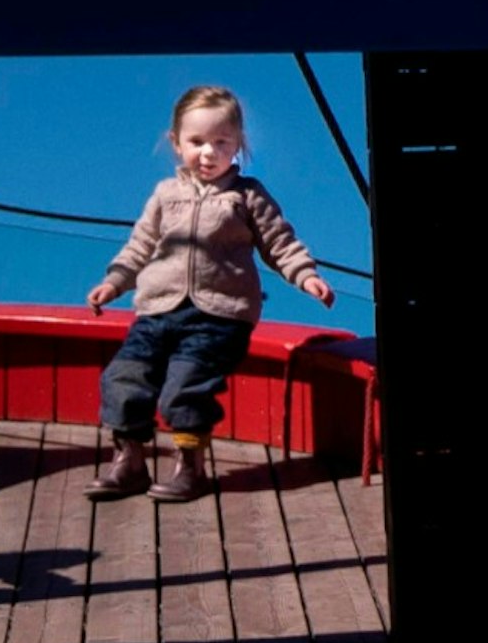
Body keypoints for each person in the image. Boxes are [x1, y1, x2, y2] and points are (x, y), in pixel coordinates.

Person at [84, 83, 331, 504]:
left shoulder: (246, 196)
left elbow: (279, 243)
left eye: (221, 142)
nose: (208, 153)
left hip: (219, 315)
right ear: (176, 143)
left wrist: (305, 275)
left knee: (185, 386)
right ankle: (129, 460)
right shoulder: (166, 195)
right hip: (158, 310)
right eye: (197, 142)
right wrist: (115, 281)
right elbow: (140, 245)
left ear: (238, 145)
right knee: (124, 378)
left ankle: (190, 467)